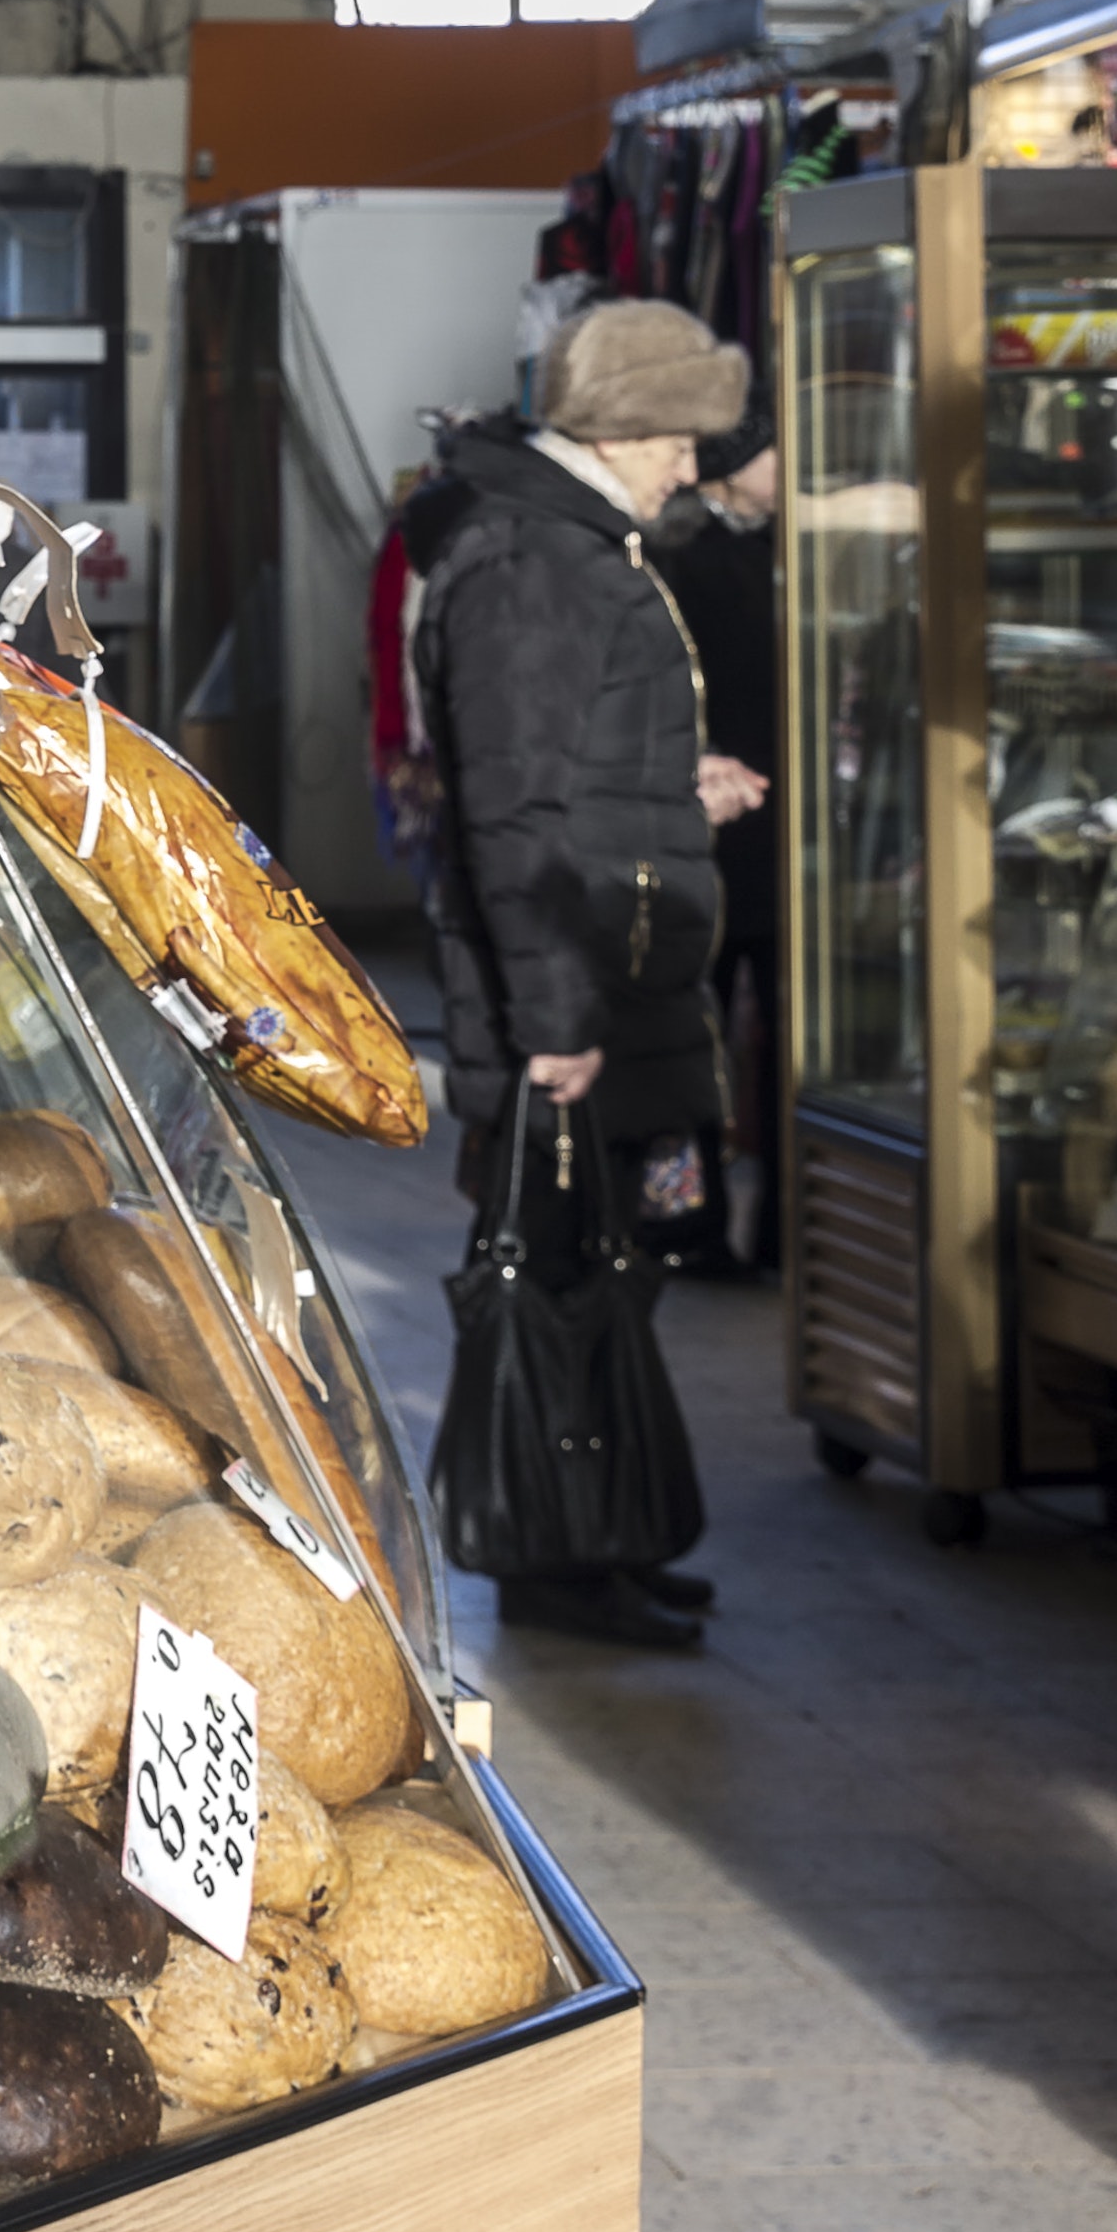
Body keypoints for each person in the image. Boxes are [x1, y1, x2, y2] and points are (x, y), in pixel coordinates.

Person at [412, 296, 758, 1652]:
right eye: (677, 433)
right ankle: (559, 1561)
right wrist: (553, 1017)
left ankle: (603, 1528)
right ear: (619, 427)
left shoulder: (566, 545)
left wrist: (677, 785)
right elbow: (514, 811)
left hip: (621, 982)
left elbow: (572, 773)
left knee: (619, 1264)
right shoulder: (533, 561)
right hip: (579, 1005)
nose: (692, 461)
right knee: (558, 1276)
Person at [662, 417, 783, 1274]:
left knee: (767, 1038)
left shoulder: (784, 549)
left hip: (769, 829)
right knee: (692, 1036)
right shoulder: (676, 556)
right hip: (705, 823)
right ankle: (687, 1217)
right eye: (775, 452)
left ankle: (773, 1220)